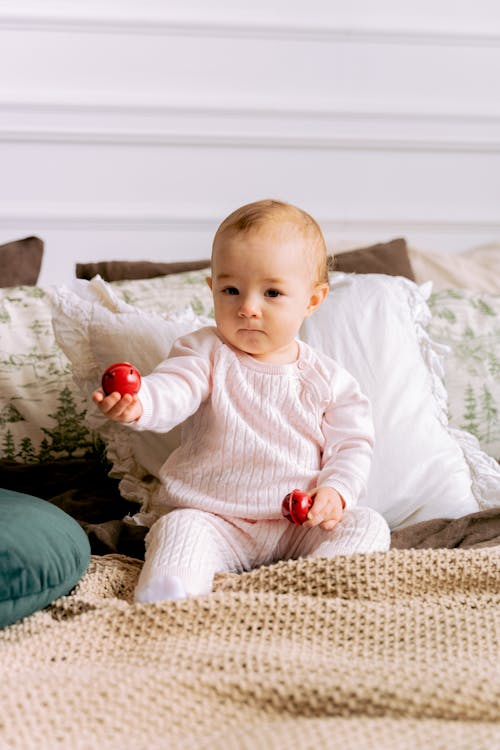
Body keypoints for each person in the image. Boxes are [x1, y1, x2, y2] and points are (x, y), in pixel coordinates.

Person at [92, 199, 391, 602]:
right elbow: (174, 388)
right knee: (179, 532)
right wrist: (140, 401)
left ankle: (311, 595)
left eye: (272, 292)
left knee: (368, 525)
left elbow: (352, 445)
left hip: (297, 526)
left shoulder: (329, 379)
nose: (248, 308)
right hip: (214, 519)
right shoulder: (205, 351)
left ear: (312, 300)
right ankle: (166, 606)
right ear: (212, 287)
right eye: (231, 290)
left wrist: (335, 492)